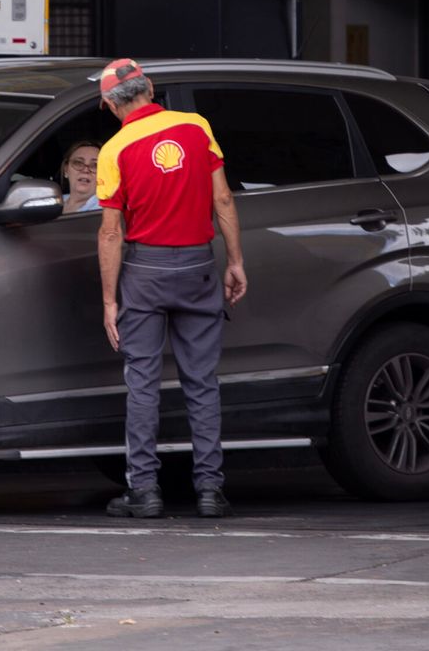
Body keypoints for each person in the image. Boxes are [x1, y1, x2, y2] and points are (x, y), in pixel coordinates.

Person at [93, 58, 247, 518]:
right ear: (151, 87)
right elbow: (222, 197)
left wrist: (108, 300)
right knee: (202, 381)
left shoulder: (114, 150)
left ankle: (145, 491)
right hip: (199, 264)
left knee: (142, 383)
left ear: (108, 103)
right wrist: (235, 260)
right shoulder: (197, 127)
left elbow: (110, 232)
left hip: (145, 271)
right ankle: (210, 490)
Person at [60, 140, 101, 213]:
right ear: (66, 170)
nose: (85, 170)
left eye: (95, 165)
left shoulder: (105, 211)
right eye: (78, 163)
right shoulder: (52, 203)